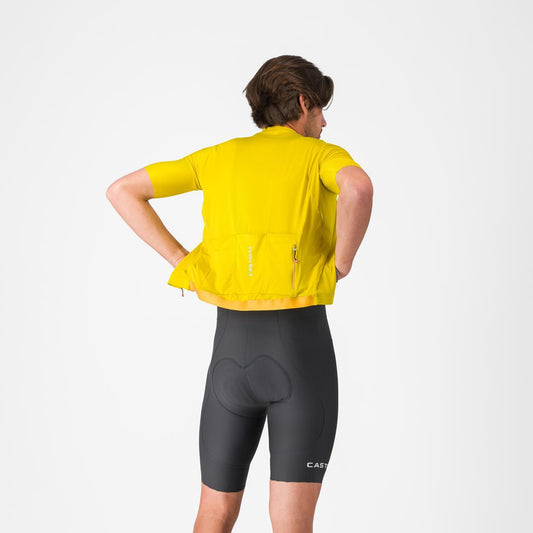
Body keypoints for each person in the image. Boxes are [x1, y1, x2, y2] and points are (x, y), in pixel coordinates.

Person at [106, 54, 373, 533]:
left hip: (228, 364)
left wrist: (183, 262)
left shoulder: (217, 157)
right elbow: (357, 187)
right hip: (300, 358)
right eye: (321, 110)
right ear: (303, 103)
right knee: (290, 523)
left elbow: (122, 190)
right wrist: (342, 262)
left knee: (213, 515)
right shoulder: (320, 155)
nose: (324, 123)